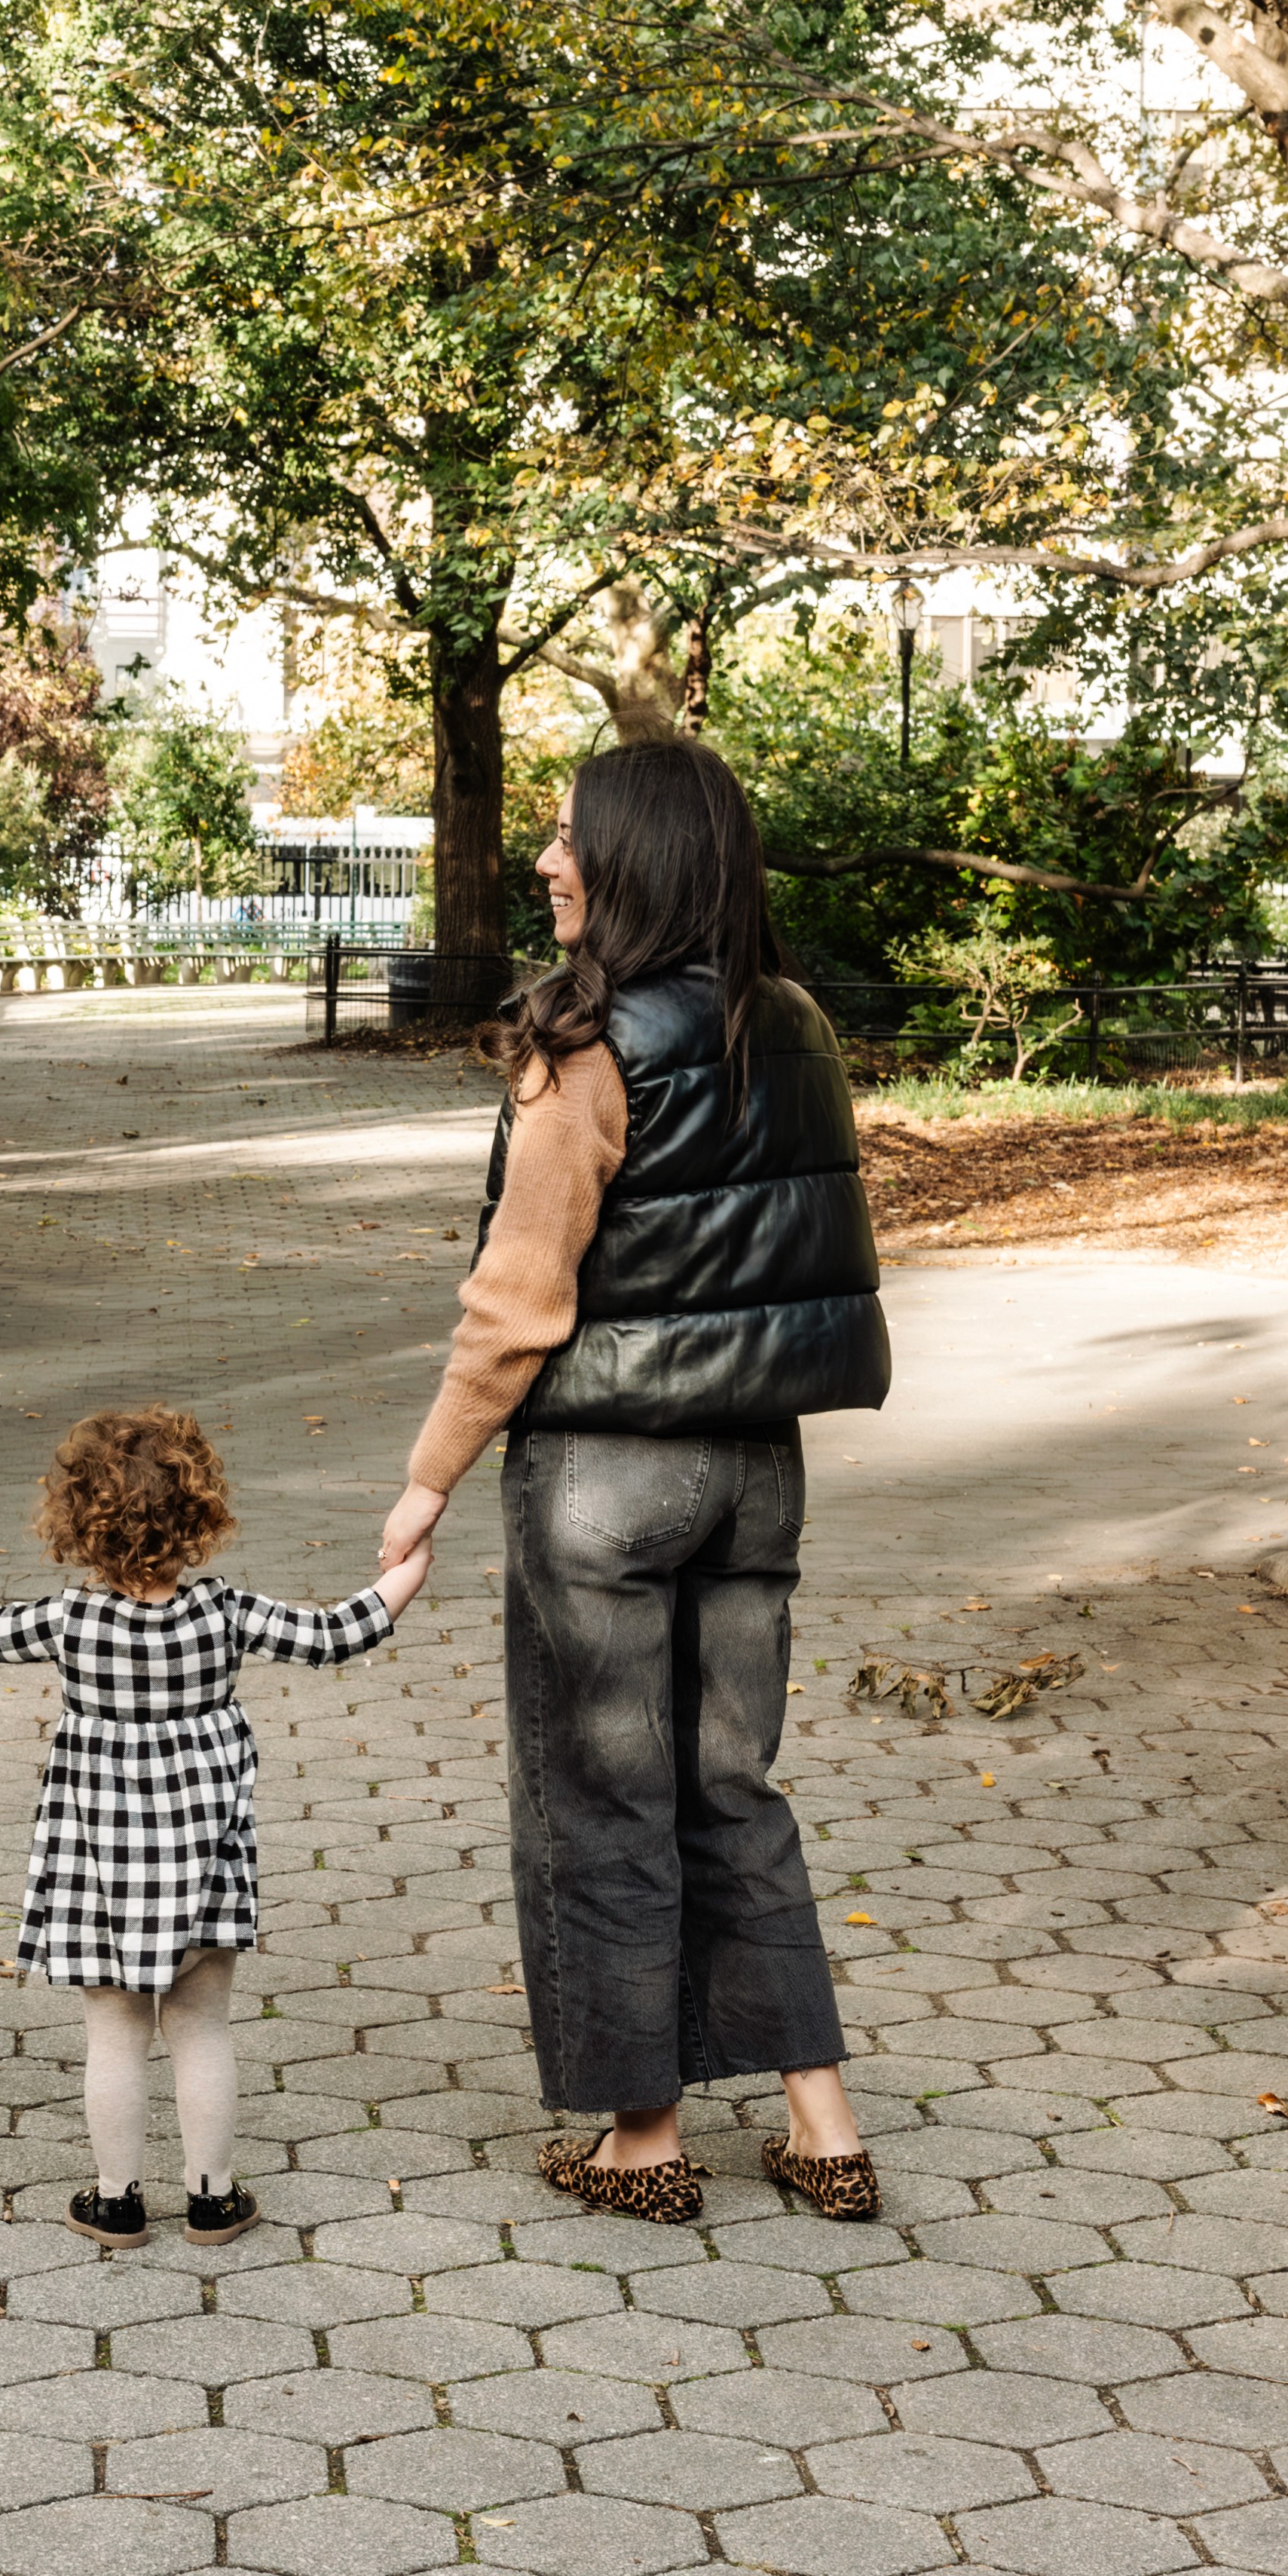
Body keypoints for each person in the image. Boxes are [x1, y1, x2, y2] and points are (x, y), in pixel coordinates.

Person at [381, 738, 891, 2226]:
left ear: (640, 865)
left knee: (605, 1793)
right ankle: (825, 2125)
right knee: (734, 1785)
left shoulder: (585, 1049)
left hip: (603, 1478)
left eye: (570, 840)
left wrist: (424, 1484)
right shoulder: (791, 1023)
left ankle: (645, 2142)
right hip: (755, 1474)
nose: (547, 861)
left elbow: (517, 1303)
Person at [0, 1404, 431, 2249]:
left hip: (99, 1869)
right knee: (201, 2027)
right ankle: (211, 2198)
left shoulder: (67, 1621)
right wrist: (407, 1567)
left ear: (76, 1523)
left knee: (115, 2036)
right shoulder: (223, 1613)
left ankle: (116, 2200)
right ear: (199, 1510)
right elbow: (336, 1635)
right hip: (203, 1866)